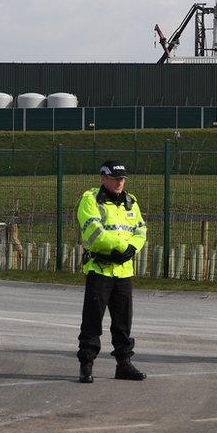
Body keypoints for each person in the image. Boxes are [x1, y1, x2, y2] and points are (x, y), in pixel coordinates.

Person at [76, 160, 147, 383]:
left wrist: (133, 248)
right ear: (103, 178)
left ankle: (123, 364)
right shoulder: (90, 199)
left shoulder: (130, 201)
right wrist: (120, 246)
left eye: (123, 179)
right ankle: (86, 364)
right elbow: (93, 231)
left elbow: (141, 229)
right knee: (92, 320)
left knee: (123, 322)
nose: (120, 183)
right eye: (116, 178)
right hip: (100, 270)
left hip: (124, 271)